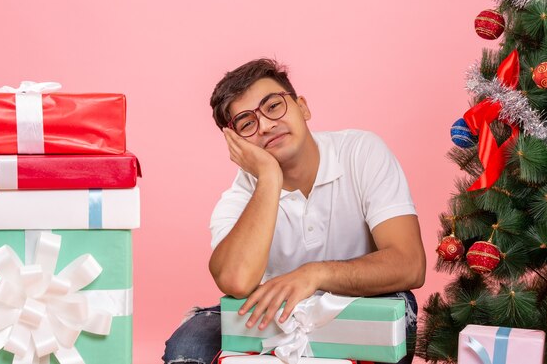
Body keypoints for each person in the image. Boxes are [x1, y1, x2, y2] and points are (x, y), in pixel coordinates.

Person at [163, 59, 426, 364]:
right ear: (235, 145)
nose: (265, 125)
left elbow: (409, 265)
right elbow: (235, 281)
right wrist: (269, 178)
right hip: (275, 313)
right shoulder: (238, 197)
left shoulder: (361, 152)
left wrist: (314, 274)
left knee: (396, 317)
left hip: (361, 302)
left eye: (273, 106)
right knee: (188, 346)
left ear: (303, 107)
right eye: (247, 123)